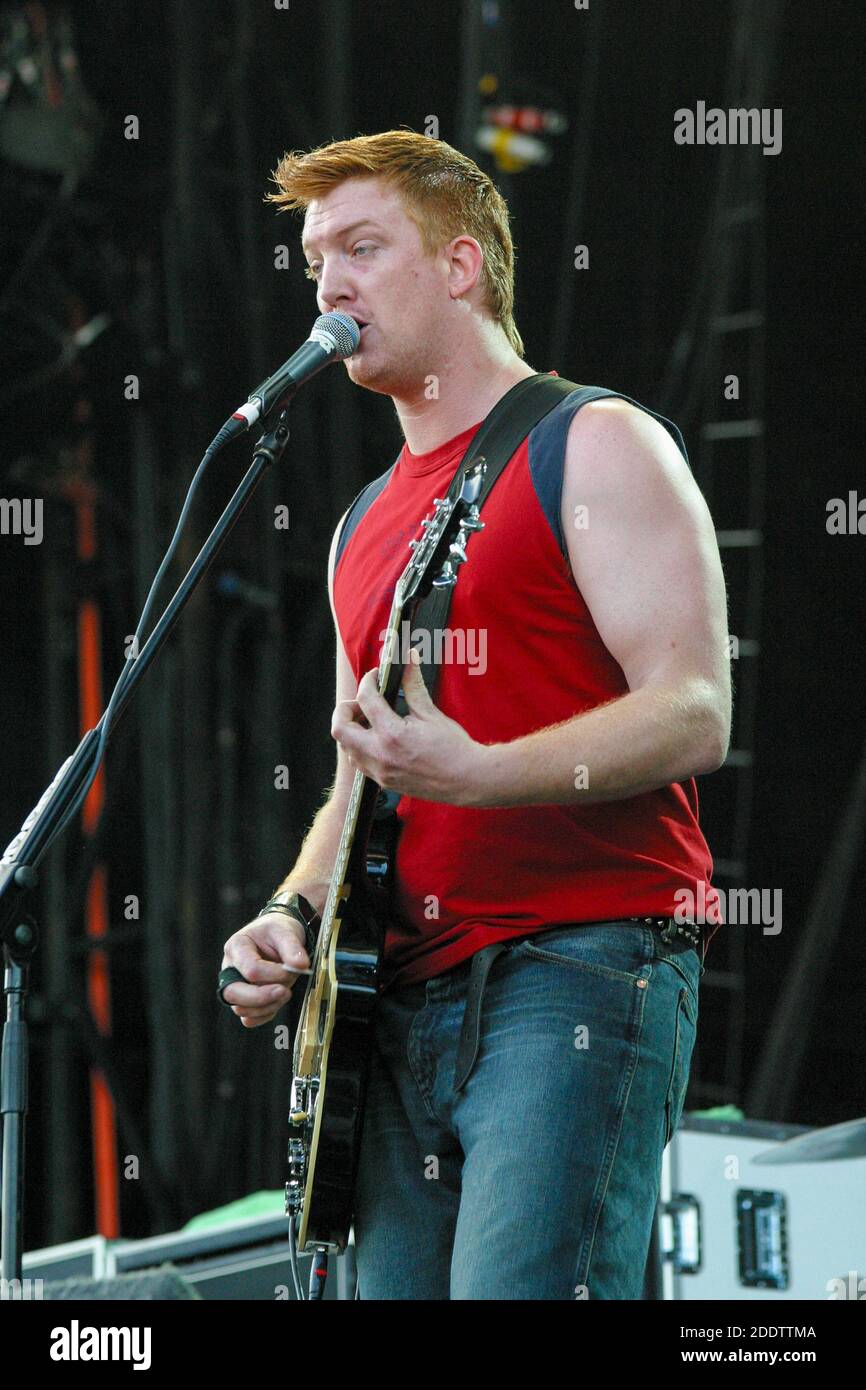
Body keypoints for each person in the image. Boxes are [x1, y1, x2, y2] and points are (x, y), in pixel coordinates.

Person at [220, 130, 730, 1300]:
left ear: (459, 266)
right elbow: (363, 775)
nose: (328, 286)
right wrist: (290, 911)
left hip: (575, 967)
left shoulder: (593, 442)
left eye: (360, 247)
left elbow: (694, 709)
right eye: (313, 263)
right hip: (392, 1005)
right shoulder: (356, 526)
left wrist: (478, 771)